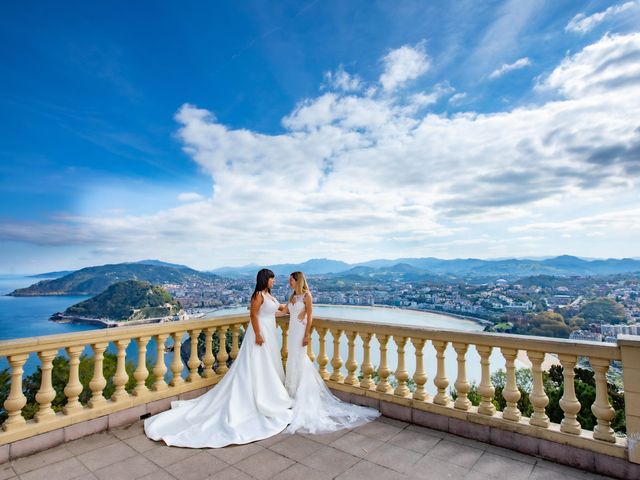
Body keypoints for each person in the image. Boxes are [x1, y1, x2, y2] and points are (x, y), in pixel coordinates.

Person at [144, 268, 293, 447]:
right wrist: (258, 334)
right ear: (265, 279)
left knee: (267, 365)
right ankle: (258, 397)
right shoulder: (257, 296)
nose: (274, 282)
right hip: (260, 334)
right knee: (257, 365)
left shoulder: (269, 296)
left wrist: (296, 303)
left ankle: (269, 395)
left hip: (269, 333)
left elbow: (274, 312)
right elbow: (253, 315)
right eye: (272, 279)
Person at [280, 271, 380, 434]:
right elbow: (284, 311)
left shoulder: (307, 296)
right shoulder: (292, 297)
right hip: (292, 332)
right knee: (292, 360)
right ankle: (292, 393)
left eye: (291, 280)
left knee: (301, 360)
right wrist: (265, 314)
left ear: (298, 281)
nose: (289, 282)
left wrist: (306, 335)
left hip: (300, 334)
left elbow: (310, 317)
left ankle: (301, 396)